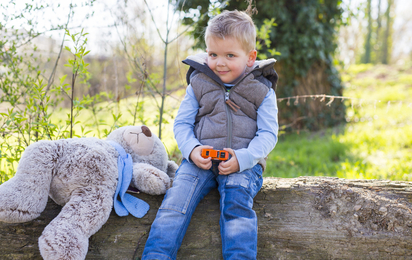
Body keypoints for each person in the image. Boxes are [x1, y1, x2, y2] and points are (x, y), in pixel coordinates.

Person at [142, 10, 279, 260]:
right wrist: (192, 150)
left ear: (250, 57)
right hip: (199, 161)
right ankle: (156, 255)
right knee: (174, 205)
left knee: (237, 211)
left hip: (242, 164)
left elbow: (269, 134)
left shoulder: (262, 90)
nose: (220, 62)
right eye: (213, 54)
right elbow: (182, 125)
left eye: (230, 55)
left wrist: (244, 158)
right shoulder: (199, 83)